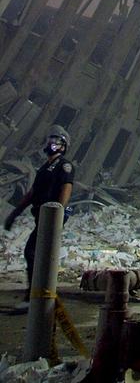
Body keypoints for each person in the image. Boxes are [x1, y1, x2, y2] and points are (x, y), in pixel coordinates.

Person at [3, 125, 74, 311]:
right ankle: (36, 297)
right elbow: (33, 192)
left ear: (63, 146)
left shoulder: (64, 165)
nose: (52, 143)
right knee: (35, 254)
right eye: (51, 139)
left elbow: (66, 188)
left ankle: (35, 298)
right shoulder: (45, 167)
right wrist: (15, 213)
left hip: (50, 217)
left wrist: (57, 212)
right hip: (40, 215)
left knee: (33, 252)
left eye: (57, 141)